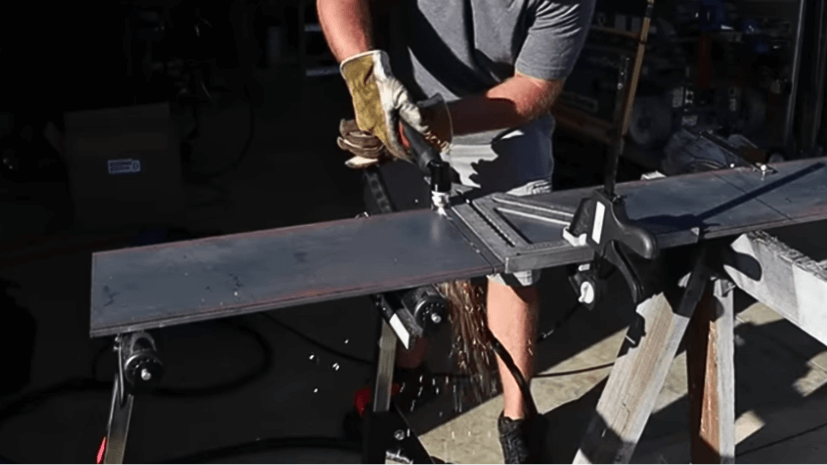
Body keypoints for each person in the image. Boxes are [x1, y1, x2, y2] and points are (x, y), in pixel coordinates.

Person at [318, 0, 594, 462]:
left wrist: (440, 122)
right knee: (407, 268)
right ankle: (406, 375)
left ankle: (519, 419)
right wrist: (365, 76)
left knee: (515, 266)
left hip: (504, 118)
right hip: (399, 103)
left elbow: (534, 88)